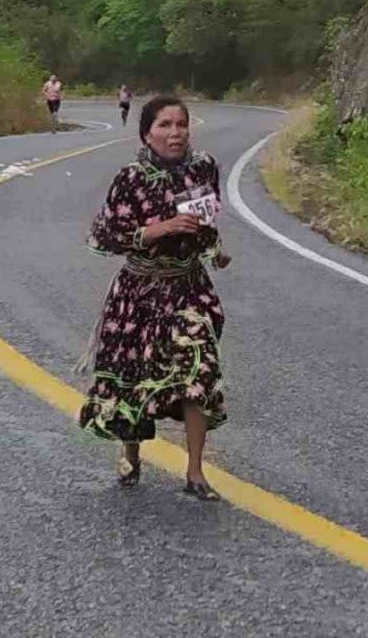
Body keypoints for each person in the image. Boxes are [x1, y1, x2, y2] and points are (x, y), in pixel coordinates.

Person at [78, 95, 232, 501]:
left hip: (188, 289)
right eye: (165, 125)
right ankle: (130, 452)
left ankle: (196, 471)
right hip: (139, 294)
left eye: (181, 124)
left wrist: (215, 250)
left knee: (198, 369)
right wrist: (155, 230)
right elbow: (103, 237)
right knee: (135, 377)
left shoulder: (204, 167)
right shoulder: (130, 178)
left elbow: (206, 221)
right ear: (147, 133)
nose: (175, 133)